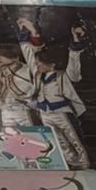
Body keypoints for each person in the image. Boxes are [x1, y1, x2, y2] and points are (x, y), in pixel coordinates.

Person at [19, 17, 90, 170]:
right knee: (58, 139)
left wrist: (76, 41)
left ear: (51, 64)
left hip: (62, 112)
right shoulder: (38, 75)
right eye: (37, 63)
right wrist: (29, 31)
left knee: (74, 138)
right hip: (45, 112)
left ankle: (84, 162)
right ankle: (71, 161)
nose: (37, 65)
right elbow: (30, 53)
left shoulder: (62, 76)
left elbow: (74, 65)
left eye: (40, 63)